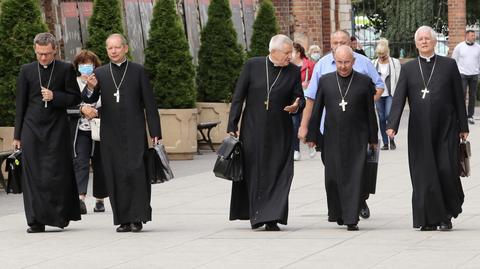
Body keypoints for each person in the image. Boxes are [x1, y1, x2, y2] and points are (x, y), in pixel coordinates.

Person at [387, 26, 469, 231]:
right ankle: (427, 219)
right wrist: (392, 124)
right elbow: (399, 98)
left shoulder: (449, 65)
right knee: (423, 174)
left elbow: (459, 97)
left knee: (445, 169)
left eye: (427, 38)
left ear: (434, 42)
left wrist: (463, 125)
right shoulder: (409, 69)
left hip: (446, 128)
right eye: (420, 39)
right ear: (416, 44)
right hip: (419, 130)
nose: (424, 42)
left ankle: (446, 214)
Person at [298, 30, 384, 220]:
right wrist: (307, 129)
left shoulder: (363, 68)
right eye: (335, 43)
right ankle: (339, 208)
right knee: (333, 174)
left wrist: (364, 108)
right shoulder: (322, 68)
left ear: (351, 45)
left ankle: (356, 205)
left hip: (357, 130)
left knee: (357, 171)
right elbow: (313, 100)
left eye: (342, 42)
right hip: (329, 130)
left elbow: (376, 91)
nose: (338, 46)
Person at [82, 33, 161, 233]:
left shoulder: (138, 71)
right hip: (111, 133)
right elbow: (88, 100)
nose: (114, 51)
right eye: (110, 48)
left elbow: (150, 105)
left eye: (117, 47)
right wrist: (90, 88)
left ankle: (138, 218)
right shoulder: (100, 73)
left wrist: (155, 132)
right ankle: (123, 219)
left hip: (134, 131)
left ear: (125, 48)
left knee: (136, 173)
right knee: (116, 174)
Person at [228, 34, 305, 231]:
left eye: (291, 53)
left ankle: (272, 217)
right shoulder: (252, 66)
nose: (290, 57)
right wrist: (232, 124)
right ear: (273, 52)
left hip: (280, 132)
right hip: (253, 130)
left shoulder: (293, 71)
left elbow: (300, 97)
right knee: (254, 172)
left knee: (278, 173)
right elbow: (239, 96)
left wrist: (297, 105)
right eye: (287, 53)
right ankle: (257, 215)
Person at [13, 32, 81, 233]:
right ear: (35, 50)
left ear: (55, 51)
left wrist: (55, 96)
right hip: (31, 129)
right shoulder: (26, 71)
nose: (43, 58)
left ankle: (59, 216)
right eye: (40, 54)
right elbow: (20, 105)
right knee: (34, 175)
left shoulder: (65, 69)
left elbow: (74, 98)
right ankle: (35, 220)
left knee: (56, 173)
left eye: (47, 54)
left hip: (57, 129)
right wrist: (17, 135)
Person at [68, 50, 107, 214]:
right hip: (81, 130)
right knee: (81, 162)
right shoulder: (73, 83)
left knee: (100, 164)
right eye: (82, 64)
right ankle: (80, 198)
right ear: (77, 66)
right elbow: (68, 104)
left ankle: (99, 199)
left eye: (88, 64)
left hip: (99, 129)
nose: (85, 67)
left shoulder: (101, 80)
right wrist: (82, 110)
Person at [372, 39, 401, 150]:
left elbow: (399, 79)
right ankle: (385, 142)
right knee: (381, 117)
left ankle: (392, 139)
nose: (381, 57)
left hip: (390, 93)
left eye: (383, 55)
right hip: (378, 94)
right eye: (379, 55)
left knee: (389, 115)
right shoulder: (373, 63)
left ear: (387, 53)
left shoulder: (395, 62)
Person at [291, 42, 315, 160]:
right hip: (295, 99)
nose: (290, 55)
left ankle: (311, 144)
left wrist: (308, 83)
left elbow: (316, 80)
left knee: (307, 121)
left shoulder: (309, 65)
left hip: (307, 97)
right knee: (295, 124)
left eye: (292, 52)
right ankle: (296, 150)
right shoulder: (288, 66)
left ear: (298, 53)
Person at [451, 29, 480, 125]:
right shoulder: (459, 47)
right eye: (472, 35)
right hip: (462, 74)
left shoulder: (478, 47)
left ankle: (470, 116)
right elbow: (454, 60)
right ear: (467, 36)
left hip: (474, 75)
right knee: (461, 95)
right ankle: (461, 115)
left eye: (474, 35)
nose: (474, 37)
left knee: (472, 96)